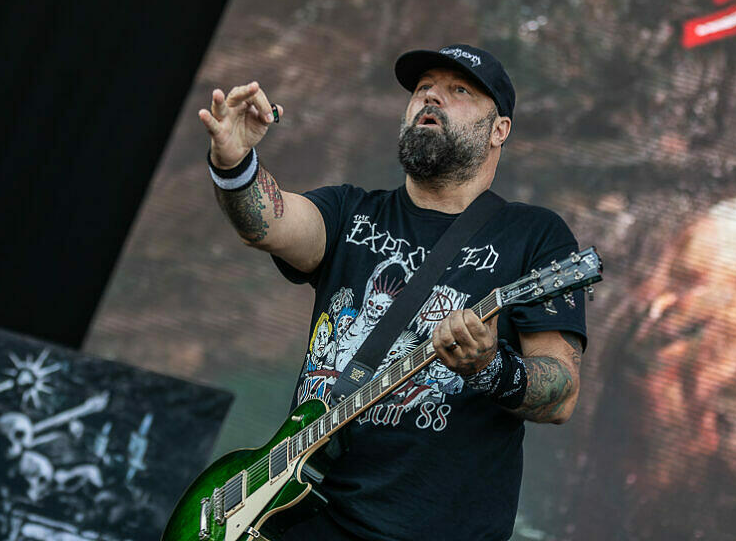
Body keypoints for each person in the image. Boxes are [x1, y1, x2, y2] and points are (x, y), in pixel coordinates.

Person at [199, 44, 587, 541]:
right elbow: (266, 225)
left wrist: (490, 367)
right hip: (300, 514)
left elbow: (561, 395)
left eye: (459, 90)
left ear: (499, 130)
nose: (431, 97)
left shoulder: (534, 236)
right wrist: (234, 163)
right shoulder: (351, 210)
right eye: (423, 87)